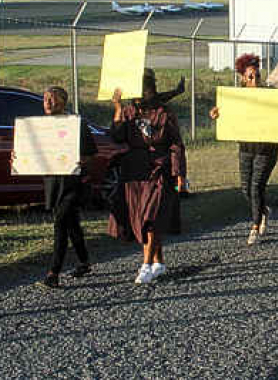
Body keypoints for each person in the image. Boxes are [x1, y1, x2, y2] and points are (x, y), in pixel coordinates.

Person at [109, 70, 186, 284]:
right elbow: (116, 137)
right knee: (140, 217)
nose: (143, 93)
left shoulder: (164, 113)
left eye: (146, 88)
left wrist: (179, 174)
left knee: (150, 217)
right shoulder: (128, 111)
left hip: (158, 170)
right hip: (134, 173)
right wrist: (117, 108)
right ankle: (158, 262)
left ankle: (145, 265)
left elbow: (176, 144)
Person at [209, 53, 278, 245]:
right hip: (246, 148)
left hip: (267, 149)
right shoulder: (234, 98)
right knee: (245, 189)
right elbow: (225, 115)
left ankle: (255, 227)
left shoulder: (270, 94)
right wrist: (217, 114)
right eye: (250, 76)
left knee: (256, 186)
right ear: (242, 77)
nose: (254, 79)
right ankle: (263, 210)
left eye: (256, 75)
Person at [38, 86, 97, 288]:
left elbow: (91, 153)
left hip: (74, 183)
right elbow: (32, 152)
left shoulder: (77, 125)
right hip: (53, 182)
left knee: (61, 223)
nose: (48, 103)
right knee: (71, 224)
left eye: (52, 99)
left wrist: (82, 161)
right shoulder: (40, 126)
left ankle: (53, 272)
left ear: (63, 102)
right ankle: (84, 261)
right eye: (45, 99)